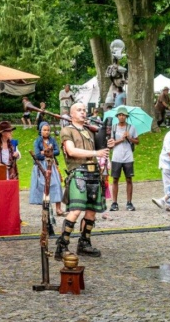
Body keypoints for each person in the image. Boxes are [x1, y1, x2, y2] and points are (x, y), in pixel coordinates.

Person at [54, 103, 113, 259]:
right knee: (76, 210)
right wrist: (96, 152)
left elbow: (101, 150)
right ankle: (62, 246)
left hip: (94, 174)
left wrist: (108, 145)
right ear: (71, 114)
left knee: (92, 211)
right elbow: (72, 151)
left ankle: (84, 243)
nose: (83, 112)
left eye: (84, 110)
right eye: (79, 110)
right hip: (79, 173)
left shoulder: (89, 131)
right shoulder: (67, 130)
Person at [28, 122, 64, 216]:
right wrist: (46, 152)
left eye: (48, 130)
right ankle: (45, 209)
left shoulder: (52, 140)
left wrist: (46, 152)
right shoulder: (37, 141)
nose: (47, 132)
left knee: (56, 184)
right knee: (43, 187)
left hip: (51, 164)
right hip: (41, 166)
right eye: (44, 130)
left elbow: (57, 151)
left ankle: (58, 209)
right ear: (41, 131)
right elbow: (38, 155)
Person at [109, 106, 139, 212]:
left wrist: (129, 138)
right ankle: (114, 202)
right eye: (120, 115)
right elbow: (110, 144)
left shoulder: (131, 127)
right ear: (117, 116)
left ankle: (129, 202)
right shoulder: (113, 128)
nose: (122, 117)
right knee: (115, 179)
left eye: (123, 115)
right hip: (116, 156)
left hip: (128, 156)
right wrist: (121, 139)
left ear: (126, 116)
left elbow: (137, 141)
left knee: (129, 179)